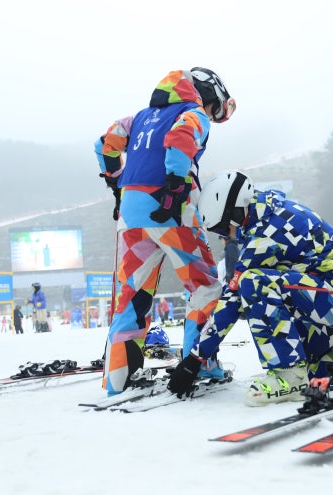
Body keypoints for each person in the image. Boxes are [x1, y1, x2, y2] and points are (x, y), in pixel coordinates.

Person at [166, 171, 333, 406]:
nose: (224, 235)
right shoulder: (270, 214)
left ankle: (288, 375)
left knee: (253, 283)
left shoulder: (269, 232)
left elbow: (232, 300)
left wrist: (195, 359)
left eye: (223, 228)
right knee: (315, 369)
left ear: (235, 212)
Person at [94, 67, 236, 396]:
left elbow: (104, 144)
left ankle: (117, 378)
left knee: (131, 294)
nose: (212, 114)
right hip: (173, 210)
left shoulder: (137, 118)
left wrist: (116, 185)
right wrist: (174, 185)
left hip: (131, 215)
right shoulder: (193, 113)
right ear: (209, 94)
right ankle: (200, 366)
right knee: (204, 288)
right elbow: (181, 138)